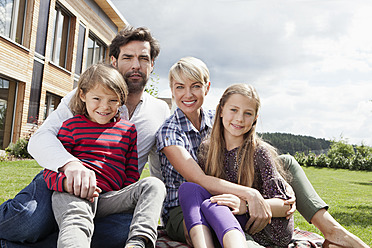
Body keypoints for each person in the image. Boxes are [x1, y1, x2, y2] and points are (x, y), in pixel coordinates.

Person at [156, 56, 369, 248]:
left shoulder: (219, 117)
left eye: (195, 86)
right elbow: (199, 180)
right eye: (180, 87)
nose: (188, 94)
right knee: (208, 206)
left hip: (226, 194)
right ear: (172, 90)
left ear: (207, 88)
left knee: (285, 162)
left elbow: (252, 149)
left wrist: (280, 190)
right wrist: (251, 195)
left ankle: (331, 230)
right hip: (185, 207)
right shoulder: (169, 131)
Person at [0, 26, 170, 248]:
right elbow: (40, 138)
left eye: (143, 58)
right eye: (128, 57)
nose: (136, 65)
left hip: (110, 196)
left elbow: (159, 167)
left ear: (152, 65)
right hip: (64, 181)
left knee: (124, 230)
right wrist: (70, 166)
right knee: (29, 220)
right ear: (114, 60)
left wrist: (161, 213)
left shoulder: (159, 110)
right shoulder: (83, 95)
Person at [43, 63, 166, 248]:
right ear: (83, 95)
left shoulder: (128, 130)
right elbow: (52, 169)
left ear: (121, 100)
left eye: (112, 100)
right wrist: (68, 184)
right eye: (97, 98)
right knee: (76, 225)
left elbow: (131, 173)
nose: (104, 106)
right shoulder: (71, 126)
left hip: (109, 199)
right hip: (75, 194)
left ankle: (138, 242)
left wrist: (126, 200)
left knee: (154, 185)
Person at [178, 83, 294, 248]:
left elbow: (285, 207)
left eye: (248, 113)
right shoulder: (207, 149)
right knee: (188, 189)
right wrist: (190, 219)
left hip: (267, 228)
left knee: (215, 204)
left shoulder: (258, 152)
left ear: (255, 118)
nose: (239, 118)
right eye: (234, 110)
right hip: (228, 218)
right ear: (221, 110)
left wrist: (245, 205)